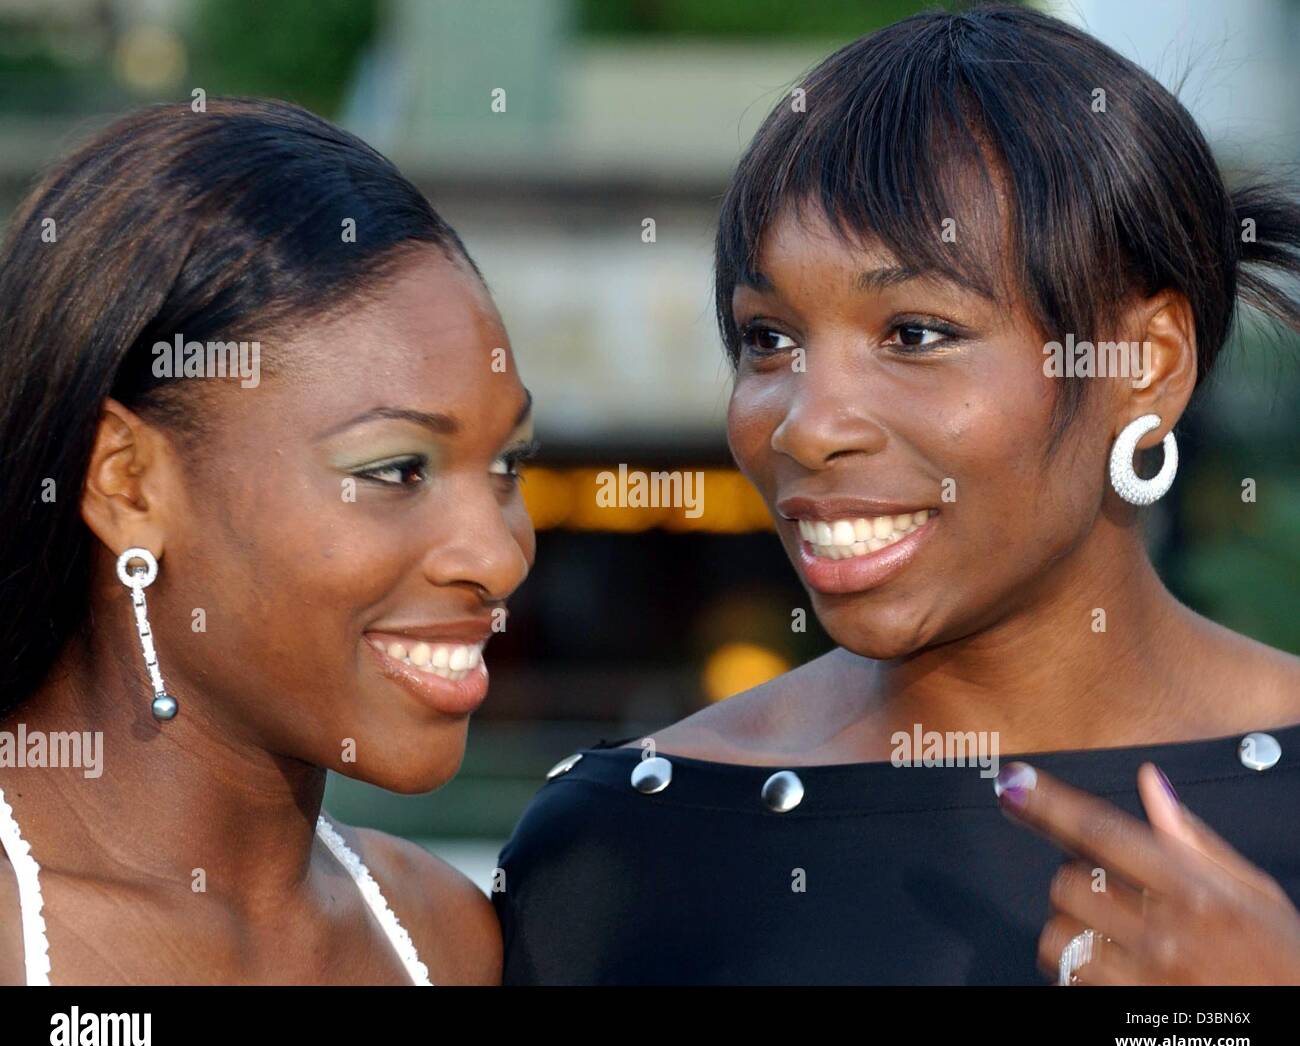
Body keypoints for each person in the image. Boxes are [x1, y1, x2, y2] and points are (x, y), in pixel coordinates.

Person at [494, 5, 1300, 985]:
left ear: (1145, 363)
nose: (804, 422)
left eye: (915, 332)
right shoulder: (621, 842)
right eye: (767, 337)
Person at [0, 98, 535, 984]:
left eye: (509, 463)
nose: (496, 556)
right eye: (397, 469)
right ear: (127, 484)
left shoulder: (449, 938)